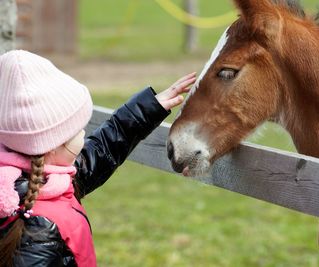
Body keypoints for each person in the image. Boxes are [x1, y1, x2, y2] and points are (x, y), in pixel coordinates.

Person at [0, 50, 196, 267]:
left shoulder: (33, 179)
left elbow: (99, 152)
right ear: (52, 145)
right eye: (78, 129)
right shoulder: (37, 230)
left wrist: (148, 109)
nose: (84, 133)